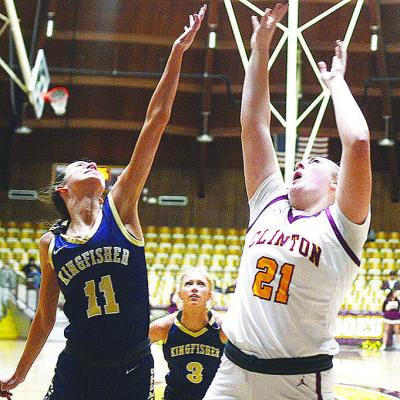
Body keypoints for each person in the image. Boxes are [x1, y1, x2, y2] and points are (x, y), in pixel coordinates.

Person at [0, 6, 206, 400]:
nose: (90, 162)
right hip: (77, 363)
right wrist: (19, 374)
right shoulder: (50, 244)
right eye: (79, 165)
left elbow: (155, 121)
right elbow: (44, 319)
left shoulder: (121, 206)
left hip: (130, 364)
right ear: (63, 188)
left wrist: (177, 53)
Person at [204, 3, 371, 400]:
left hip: (297, 382)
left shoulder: (343, 224)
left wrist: (336, 84)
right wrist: (260, 50)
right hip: (234, 369)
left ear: (336, 182)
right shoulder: (270, 202)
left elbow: (359, 141)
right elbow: (254, 124)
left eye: (313, 161)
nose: (299, 162)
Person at [149, 268, 226, 400]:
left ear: (210, 295)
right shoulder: (163, 327)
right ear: (179, 293)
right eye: (188, 283)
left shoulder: (223, 327)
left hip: (214, 396)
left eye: (201, 284)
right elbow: (135, 355)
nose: (194, 288)